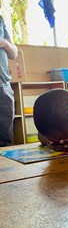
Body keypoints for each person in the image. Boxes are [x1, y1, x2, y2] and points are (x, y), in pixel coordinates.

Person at [0, 15, 18, 147]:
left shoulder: (0, 19)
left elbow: (13, 54)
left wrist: (5, 43)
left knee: (5, 137)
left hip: (3, 83)